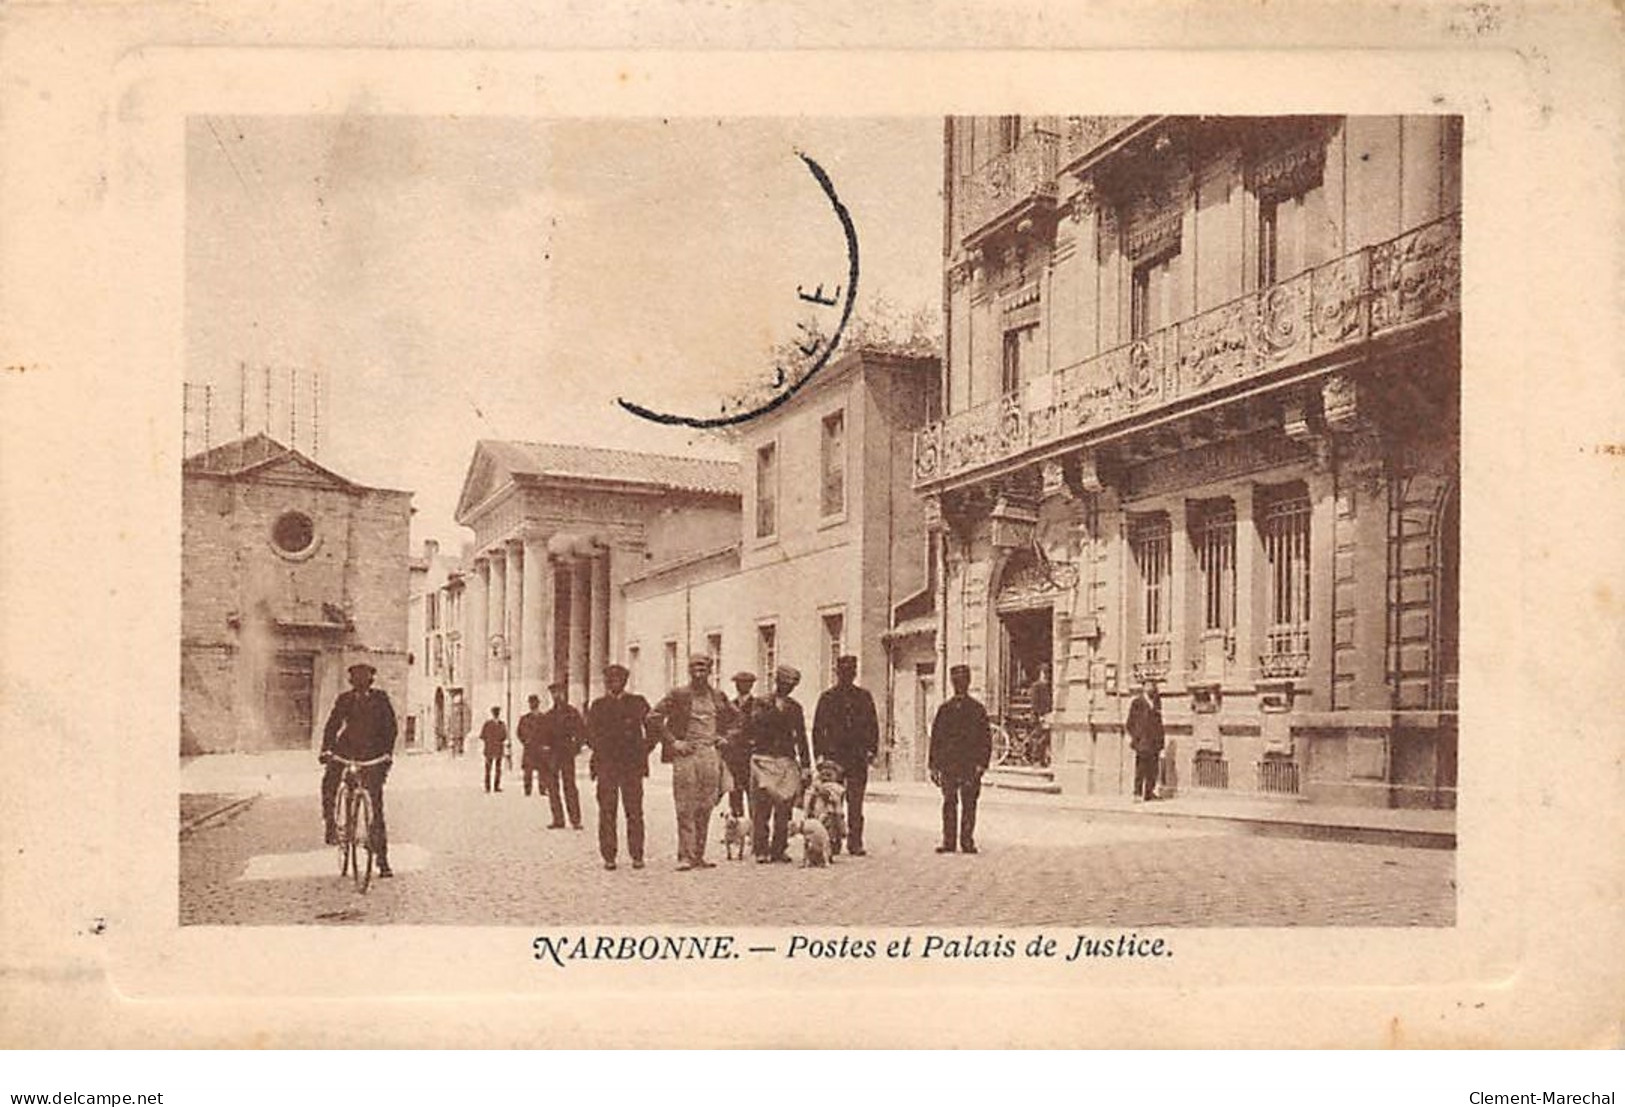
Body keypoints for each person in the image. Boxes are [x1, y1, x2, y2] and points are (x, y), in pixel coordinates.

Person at [649, 655, 740, 871]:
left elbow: (739, 719)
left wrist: (726, 737)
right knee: (685, 805)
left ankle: (699, 855)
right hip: (686, 755)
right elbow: (653, 716)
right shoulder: (678, 694)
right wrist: (674, 742)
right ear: (689, 671)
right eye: (695, 668)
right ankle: (685, 856)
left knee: (706, 805)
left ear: (710, 670)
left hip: (710, 754)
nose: (699, 672)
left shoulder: (718, 696)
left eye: (703, 668)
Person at [319, 662, 398, 878]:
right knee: (330, 782)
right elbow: (333, 725)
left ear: (371, 681)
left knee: (376, 807)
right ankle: (330, 823)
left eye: (365, 680)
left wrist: (387, 753)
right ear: (351, 682)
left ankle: (382, 860)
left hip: (374, 755)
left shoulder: (381, 699)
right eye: (356, 680)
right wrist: (326, 750)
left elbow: (391, 727)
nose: (361, 684)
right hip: (346, 750)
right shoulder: (344, 699)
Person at [584, 664, 655, 871]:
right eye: (610, 680)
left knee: (634, 811)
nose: (614, 683)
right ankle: (609, 856)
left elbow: (654, 726)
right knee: (607, 811)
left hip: (631, 765)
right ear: (606, 682)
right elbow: (588, 734)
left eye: (618, 679)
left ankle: (637, 854)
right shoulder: (598, 706)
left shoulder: (637, 703)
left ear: (625, 681)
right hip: (606, 765)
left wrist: (645, 749)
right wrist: (599, 749)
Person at [811, 654, 878, 856]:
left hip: (857, 758)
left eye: (851, 672)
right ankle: (833, 840)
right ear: (837, 673)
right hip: (833, 759)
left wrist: (872, 751)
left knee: (856, 802)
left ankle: (855, 842)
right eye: (844, 672)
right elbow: (817, 729)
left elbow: (872, 725)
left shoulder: (864, 697)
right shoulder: (827, 698)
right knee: (832, 802)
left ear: (855, 673)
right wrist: (820, 756)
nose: (847, 675)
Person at [746, 665, 812, 864]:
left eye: (792, 685)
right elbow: (752, 727)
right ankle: (760, 849)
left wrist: (806, 765)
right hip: (763, 758)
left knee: (784, 807)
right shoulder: (760, 703)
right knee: (762, 806)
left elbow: (801, 737)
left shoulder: (795, 707)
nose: (788, 688)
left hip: (786, 760)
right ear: (777, 682)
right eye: (785, 683)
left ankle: (779, 848)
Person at [928, 664, 991, 855]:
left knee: (969, 803)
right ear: (952, 682)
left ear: (968, 682)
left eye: (963, 680)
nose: (959, 684)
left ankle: (967, 841)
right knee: (949, 802)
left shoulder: (977, 709)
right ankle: (949, 841)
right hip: (949, 765)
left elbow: (985, 739)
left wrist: (982, 764)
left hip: (970, 765)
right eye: (956, 681)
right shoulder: (944, 709)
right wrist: (933, 766)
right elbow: (936, 739)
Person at [540, 679, 586, 830]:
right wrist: (545, 749)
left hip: (567, 753)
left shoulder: (572, 713)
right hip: (553, 755)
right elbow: (542, 736)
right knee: (553, 787)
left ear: (564, 694)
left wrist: (576, 748)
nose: (556, 696)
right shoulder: (548, 715)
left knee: (570, 786)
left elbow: (581, 732)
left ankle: (575, 819)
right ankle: (557, 819)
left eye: (558, 693)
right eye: (553, 693)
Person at [722, 671, 760, 820]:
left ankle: (753, 829)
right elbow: (725, 728)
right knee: (735, 794)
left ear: (751, 686)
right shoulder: (730, 706)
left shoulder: (757, 705)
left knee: (753, 795)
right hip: (734, 757)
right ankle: (737, 828)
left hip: (751, 756)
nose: (742, 686)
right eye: (739, 683)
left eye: (746, 683)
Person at [1126, 679, 1165, 802]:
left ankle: (1149, 793)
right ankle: (1137, 793)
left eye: (1153, 685)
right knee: (1141, 768)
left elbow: (1159, 723)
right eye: (1148, 685)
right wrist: (1135, 738)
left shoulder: (1157, 702)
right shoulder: (1137, 702)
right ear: (1143, 687)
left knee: (1153, 769)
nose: (1151, 688)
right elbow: (1130, 722)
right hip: (1142, 742)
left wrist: (1161, 741)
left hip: (1154, 741)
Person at [516, 693, 548, 798]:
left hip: (540, 748)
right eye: (530, 703)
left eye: (534, 703)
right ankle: (527, 789)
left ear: (538, 704)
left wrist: (545, 744)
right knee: (528, 770)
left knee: (542, 770)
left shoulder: (544, 718)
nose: (532, 705)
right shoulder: (524, 718)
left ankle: (542, 789)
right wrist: (525, 741)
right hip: (529, 748)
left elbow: (549, 732)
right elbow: (519, 732)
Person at [1029, 663, 1054, 767]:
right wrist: (1039, 715)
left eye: (1047, 672)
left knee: (1044, 737)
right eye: (1045, 672)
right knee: (1039, 738)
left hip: (1046, 715)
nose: (1046, 675)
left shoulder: (1046, 685)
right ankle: (1036, 760)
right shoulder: (1037, 686)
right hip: (1039, 716)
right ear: (1040, 673)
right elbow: (1035, 702)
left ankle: (1042, 758)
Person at [479, 706, 506, 793]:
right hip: (490, 749)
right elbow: (482, 736)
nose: (496, 714)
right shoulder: (488, 724)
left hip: (497, 749)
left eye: (497, 712)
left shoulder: (501, 724)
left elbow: (504, 736)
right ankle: (488, 787)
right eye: (495, 712)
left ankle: (496, 786)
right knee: (488, 769)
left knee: (498, 769)